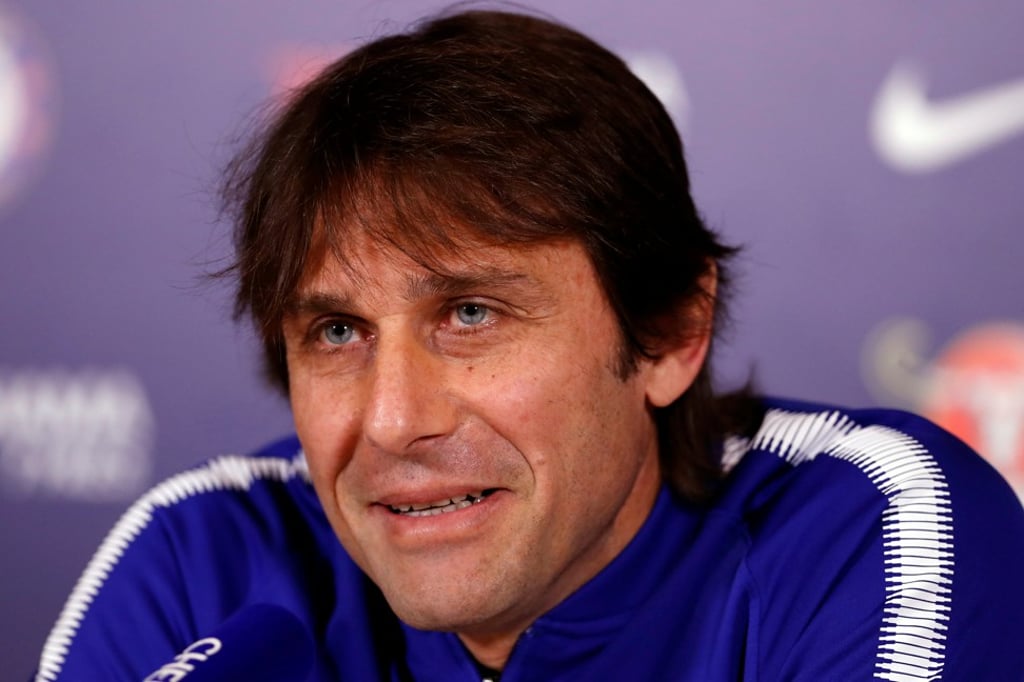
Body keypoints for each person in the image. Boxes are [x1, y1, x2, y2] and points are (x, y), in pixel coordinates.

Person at [36, 9, 1024, 681]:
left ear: (671, 331)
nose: (392, 420)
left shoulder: (868, 530)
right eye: (337, 331)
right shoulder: (199, 564)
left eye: (469, 314)